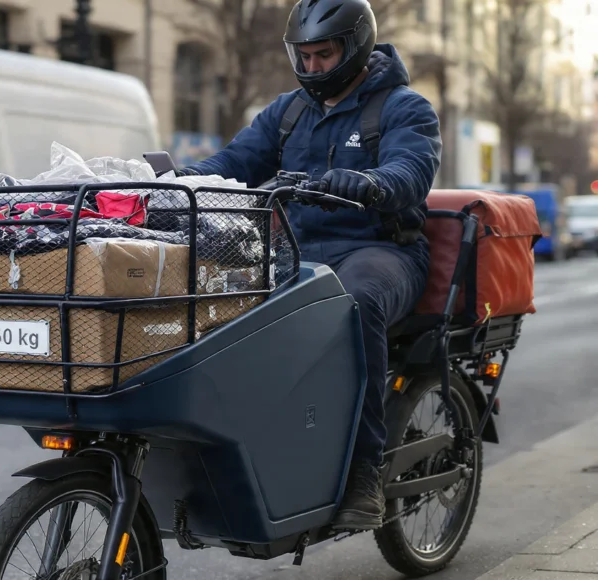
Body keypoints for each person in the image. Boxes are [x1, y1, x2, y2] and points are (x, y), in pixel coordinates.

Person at [178, 0, 441, 531]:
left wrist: (372, 182)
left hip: (380, 251)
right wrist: (180, 182)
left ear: (357, 47)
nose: (314, 66)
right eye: (305, 55)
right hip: (296, 255)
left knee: (354, 303)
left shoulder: (403, 108)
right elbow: (231, 164)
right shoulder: (287, 112)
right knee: (213, 302)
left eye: (325, 54)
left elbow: (410, 169)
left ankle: (364, 469)